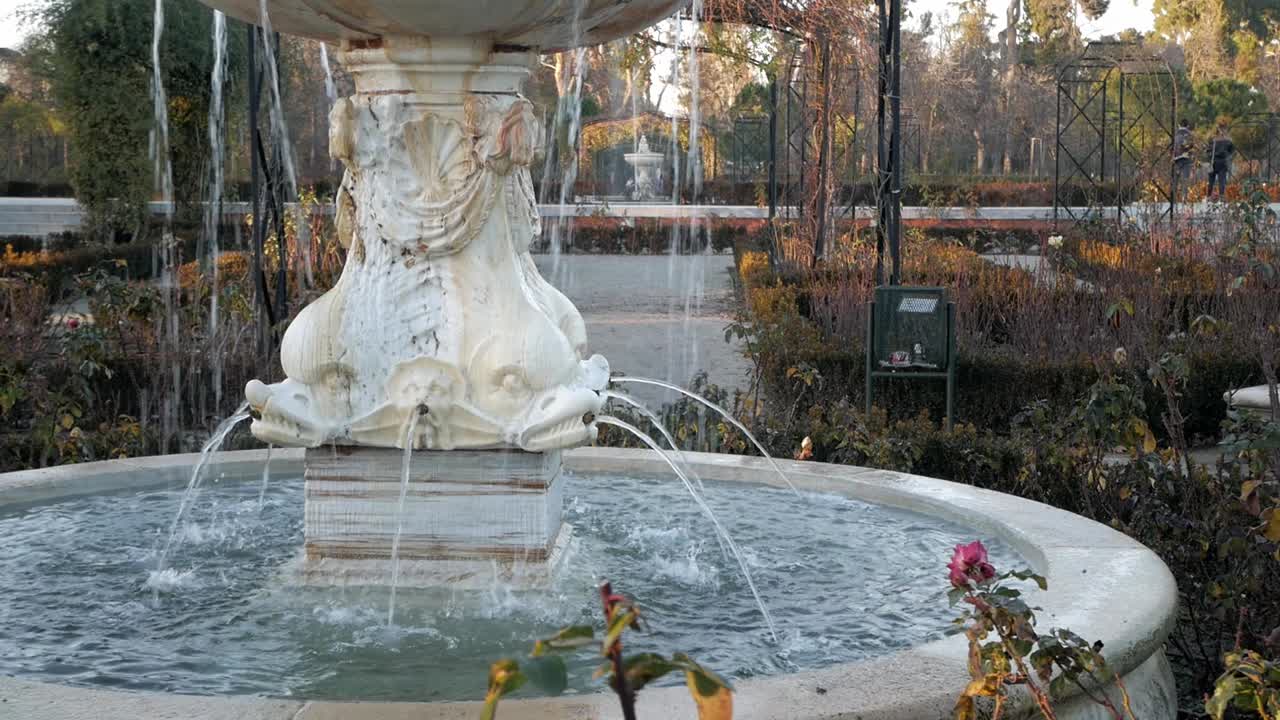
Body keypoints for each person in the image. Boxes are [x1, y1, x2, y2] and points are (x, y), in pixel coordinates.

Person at [1207, 123, 1235, 200]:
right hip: (1222, 162)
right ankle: (1222, 196)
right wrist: (1228, 156)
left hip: (1213, 162)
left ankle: (1209, 196)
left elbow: (1208, 150)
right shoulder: (1228, 140)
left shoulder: (1213, 140)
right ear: (1224, 130)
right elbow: (1232, 150)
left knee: (1211, 181)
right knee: (1221, 180)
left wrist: (1210, 157)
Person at [1172, 119, 1194, 202]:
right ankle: (1184, 197)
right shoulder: (1189, 134)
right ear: (1187, 125)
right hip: (1186, 158)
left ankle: (1173, 198)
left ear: (1179, 125)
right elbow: (1191, 145)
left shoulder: (1175, 134)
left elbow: (1172, 146)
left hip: (1176, 159)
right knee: (1185, 178)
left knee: (1175, 179)